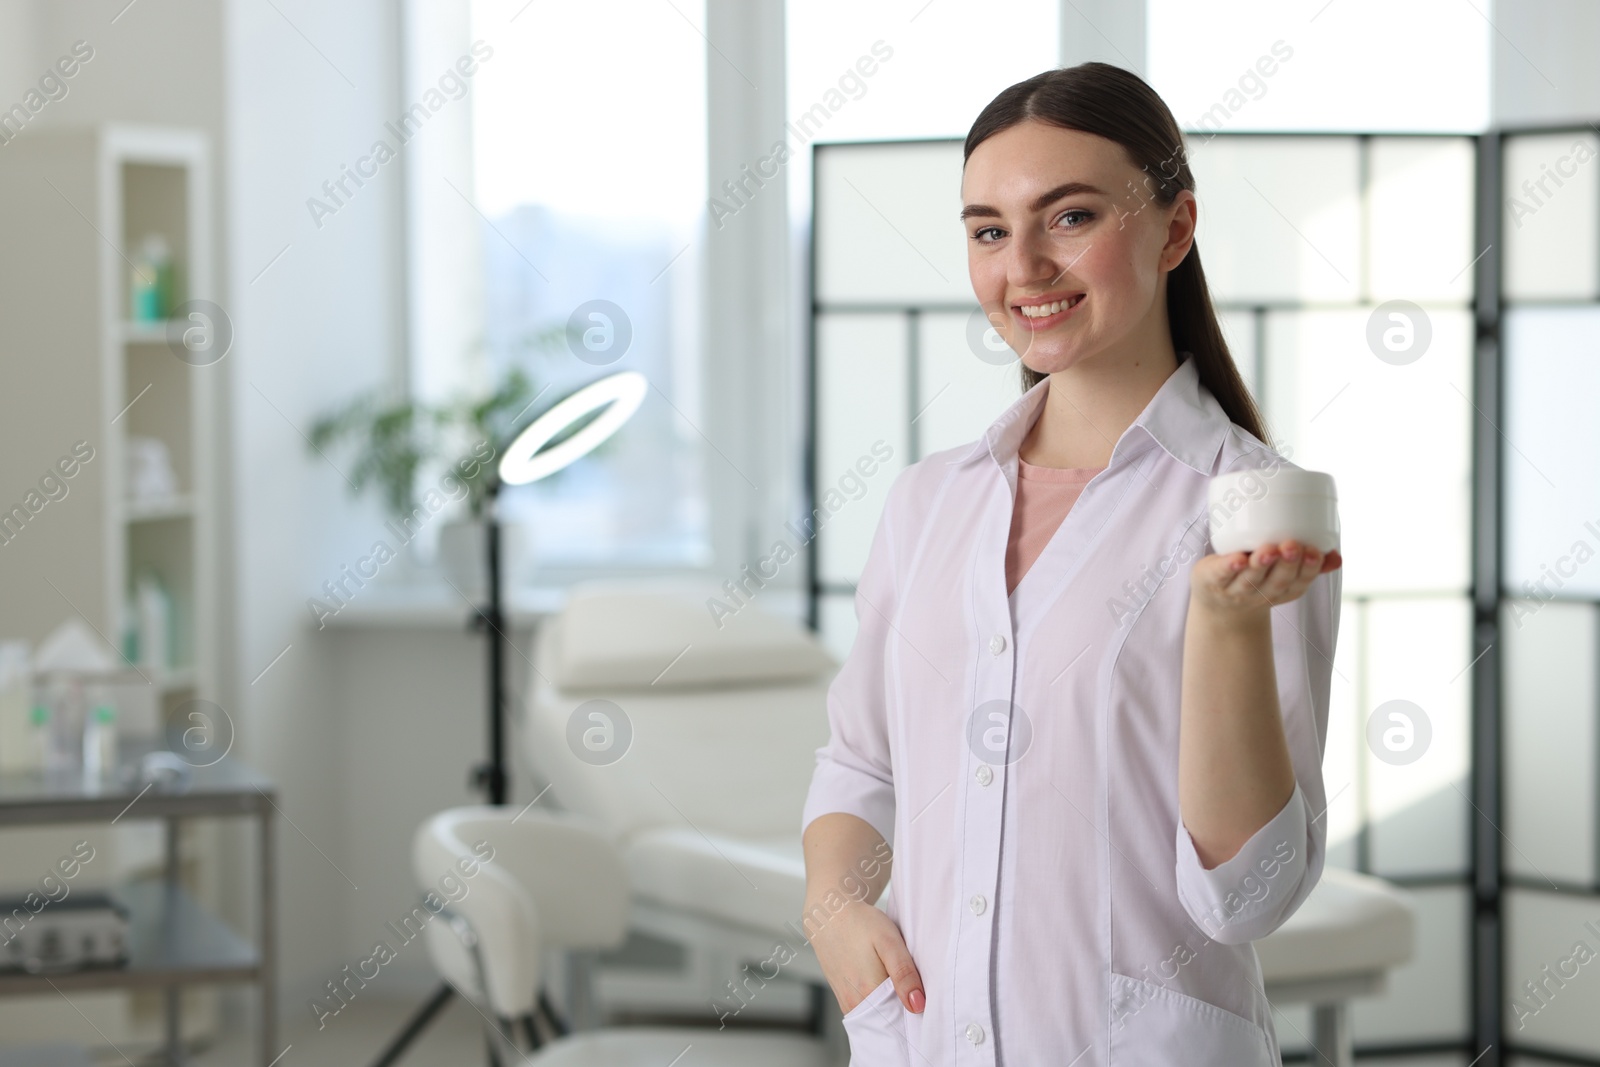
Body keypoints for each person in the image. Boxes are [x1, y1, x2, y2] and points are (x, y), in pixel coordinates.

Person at [798, 62, 1343, 1066]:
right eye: (990, 231)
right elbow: (859, 760)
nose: (1025, 269)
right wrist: (833, 910)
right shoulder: (929, 501)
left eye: (1072, 217)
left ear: (1175, 228)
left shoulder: (1250, 508)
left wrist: (1223, 625)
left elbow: (1251, 896)